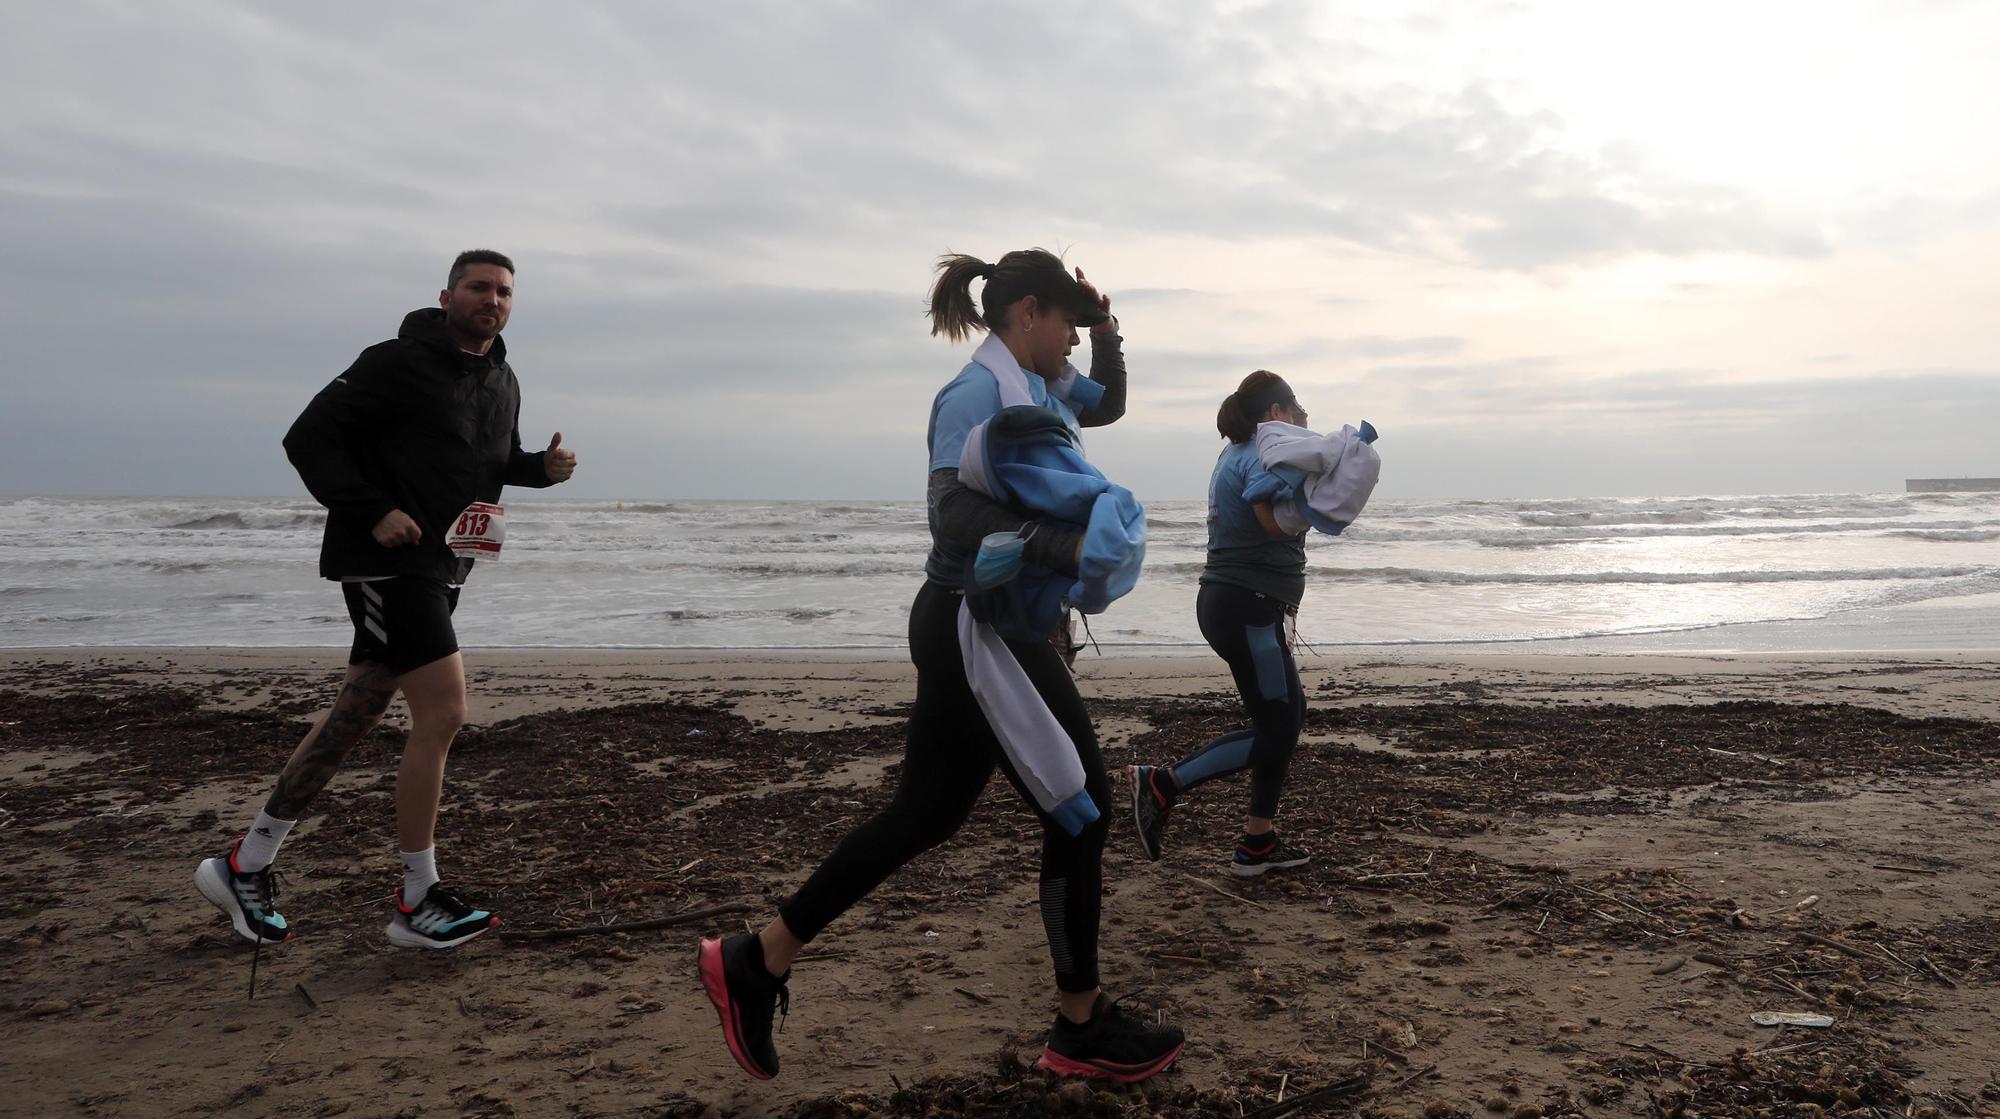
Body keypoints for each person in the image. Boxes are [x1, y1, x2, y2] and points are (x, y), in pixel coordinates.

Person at [697, 249, 1184, 1083]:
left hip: (984, 621)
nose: (1074, 340)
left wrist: (1109, 330)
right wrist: (1067, 545)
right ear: (1026, 313)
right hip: (978, 626)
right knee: (1084, 809)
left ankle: (759, 958)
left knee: (925, 812)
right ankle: (1080, 1023)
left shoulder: (1037, 382)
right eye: (1067, 322)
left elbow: (1108, 406)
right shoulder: (977, 392)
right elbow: (950, 508)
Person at [194, 250, 578, 950]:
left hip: (445, 568)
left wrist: (540, 471)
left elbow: (488, 462)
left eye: (503, 291)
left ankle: (243, 865)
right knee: (446, 711)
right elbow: (307, 436)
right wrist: (373, 509)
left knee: (357, 712)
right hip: (387, 562)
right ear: (446, 294)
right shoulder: (395, 361)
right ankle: (416, 897)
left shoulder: (503, 378)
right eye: (478, 287)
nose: (491, 300)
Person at [1128, 371, 1314, 876]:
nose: (1305, 418)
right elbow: (1267, 511)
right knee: (1277, 729)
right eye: (1298, 409)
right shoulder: (1261, 454)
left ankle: (1258, 842)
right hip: (1246, 609)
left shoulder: (1236, 450)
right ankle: (1164, 784)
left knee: (1288, 713)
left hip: (1236, 605)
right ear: (1275, 413)